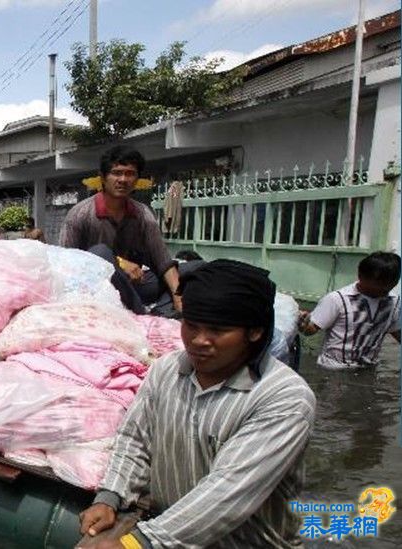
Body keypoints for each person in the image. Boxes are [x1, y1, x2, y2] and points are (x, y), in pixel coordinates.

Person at [78, 259, 316, 549]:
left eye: (217, 330)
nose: (199, 340)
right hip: (172, 534)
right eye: (191, 325)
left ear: (254, 331)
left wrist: (139, 543)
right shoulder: (166, 370)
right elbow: (135, 440)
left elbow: (228, 490)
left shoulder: (284, 398)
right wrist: (110, 497)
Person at [60, 146, 181, 315]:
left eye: (130, 173)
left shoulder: (143, 214)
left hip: (134, 286)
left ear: (137, 179)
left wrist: (179, 299)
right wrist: (119, 264)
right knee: (100, 252)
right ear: (103, 177)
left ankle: (161, 311)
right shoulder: (80, 214)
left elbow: (163, 261)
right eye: (116, 173)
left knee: (193, 271)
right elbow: (65, 262)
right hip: (95, 289)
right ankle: (139, 313)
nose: (123, 179)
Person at [298, 251, 400, 370]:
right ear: (361, 276)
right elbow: (311, 330)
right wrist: (303, 324)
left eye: (392, 283)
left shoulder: (393, 301)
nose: (386, 288)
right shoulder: (337, 299)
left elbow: (397, 331)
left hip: (368, 369)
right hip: (334, 369)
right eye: (380, 283)